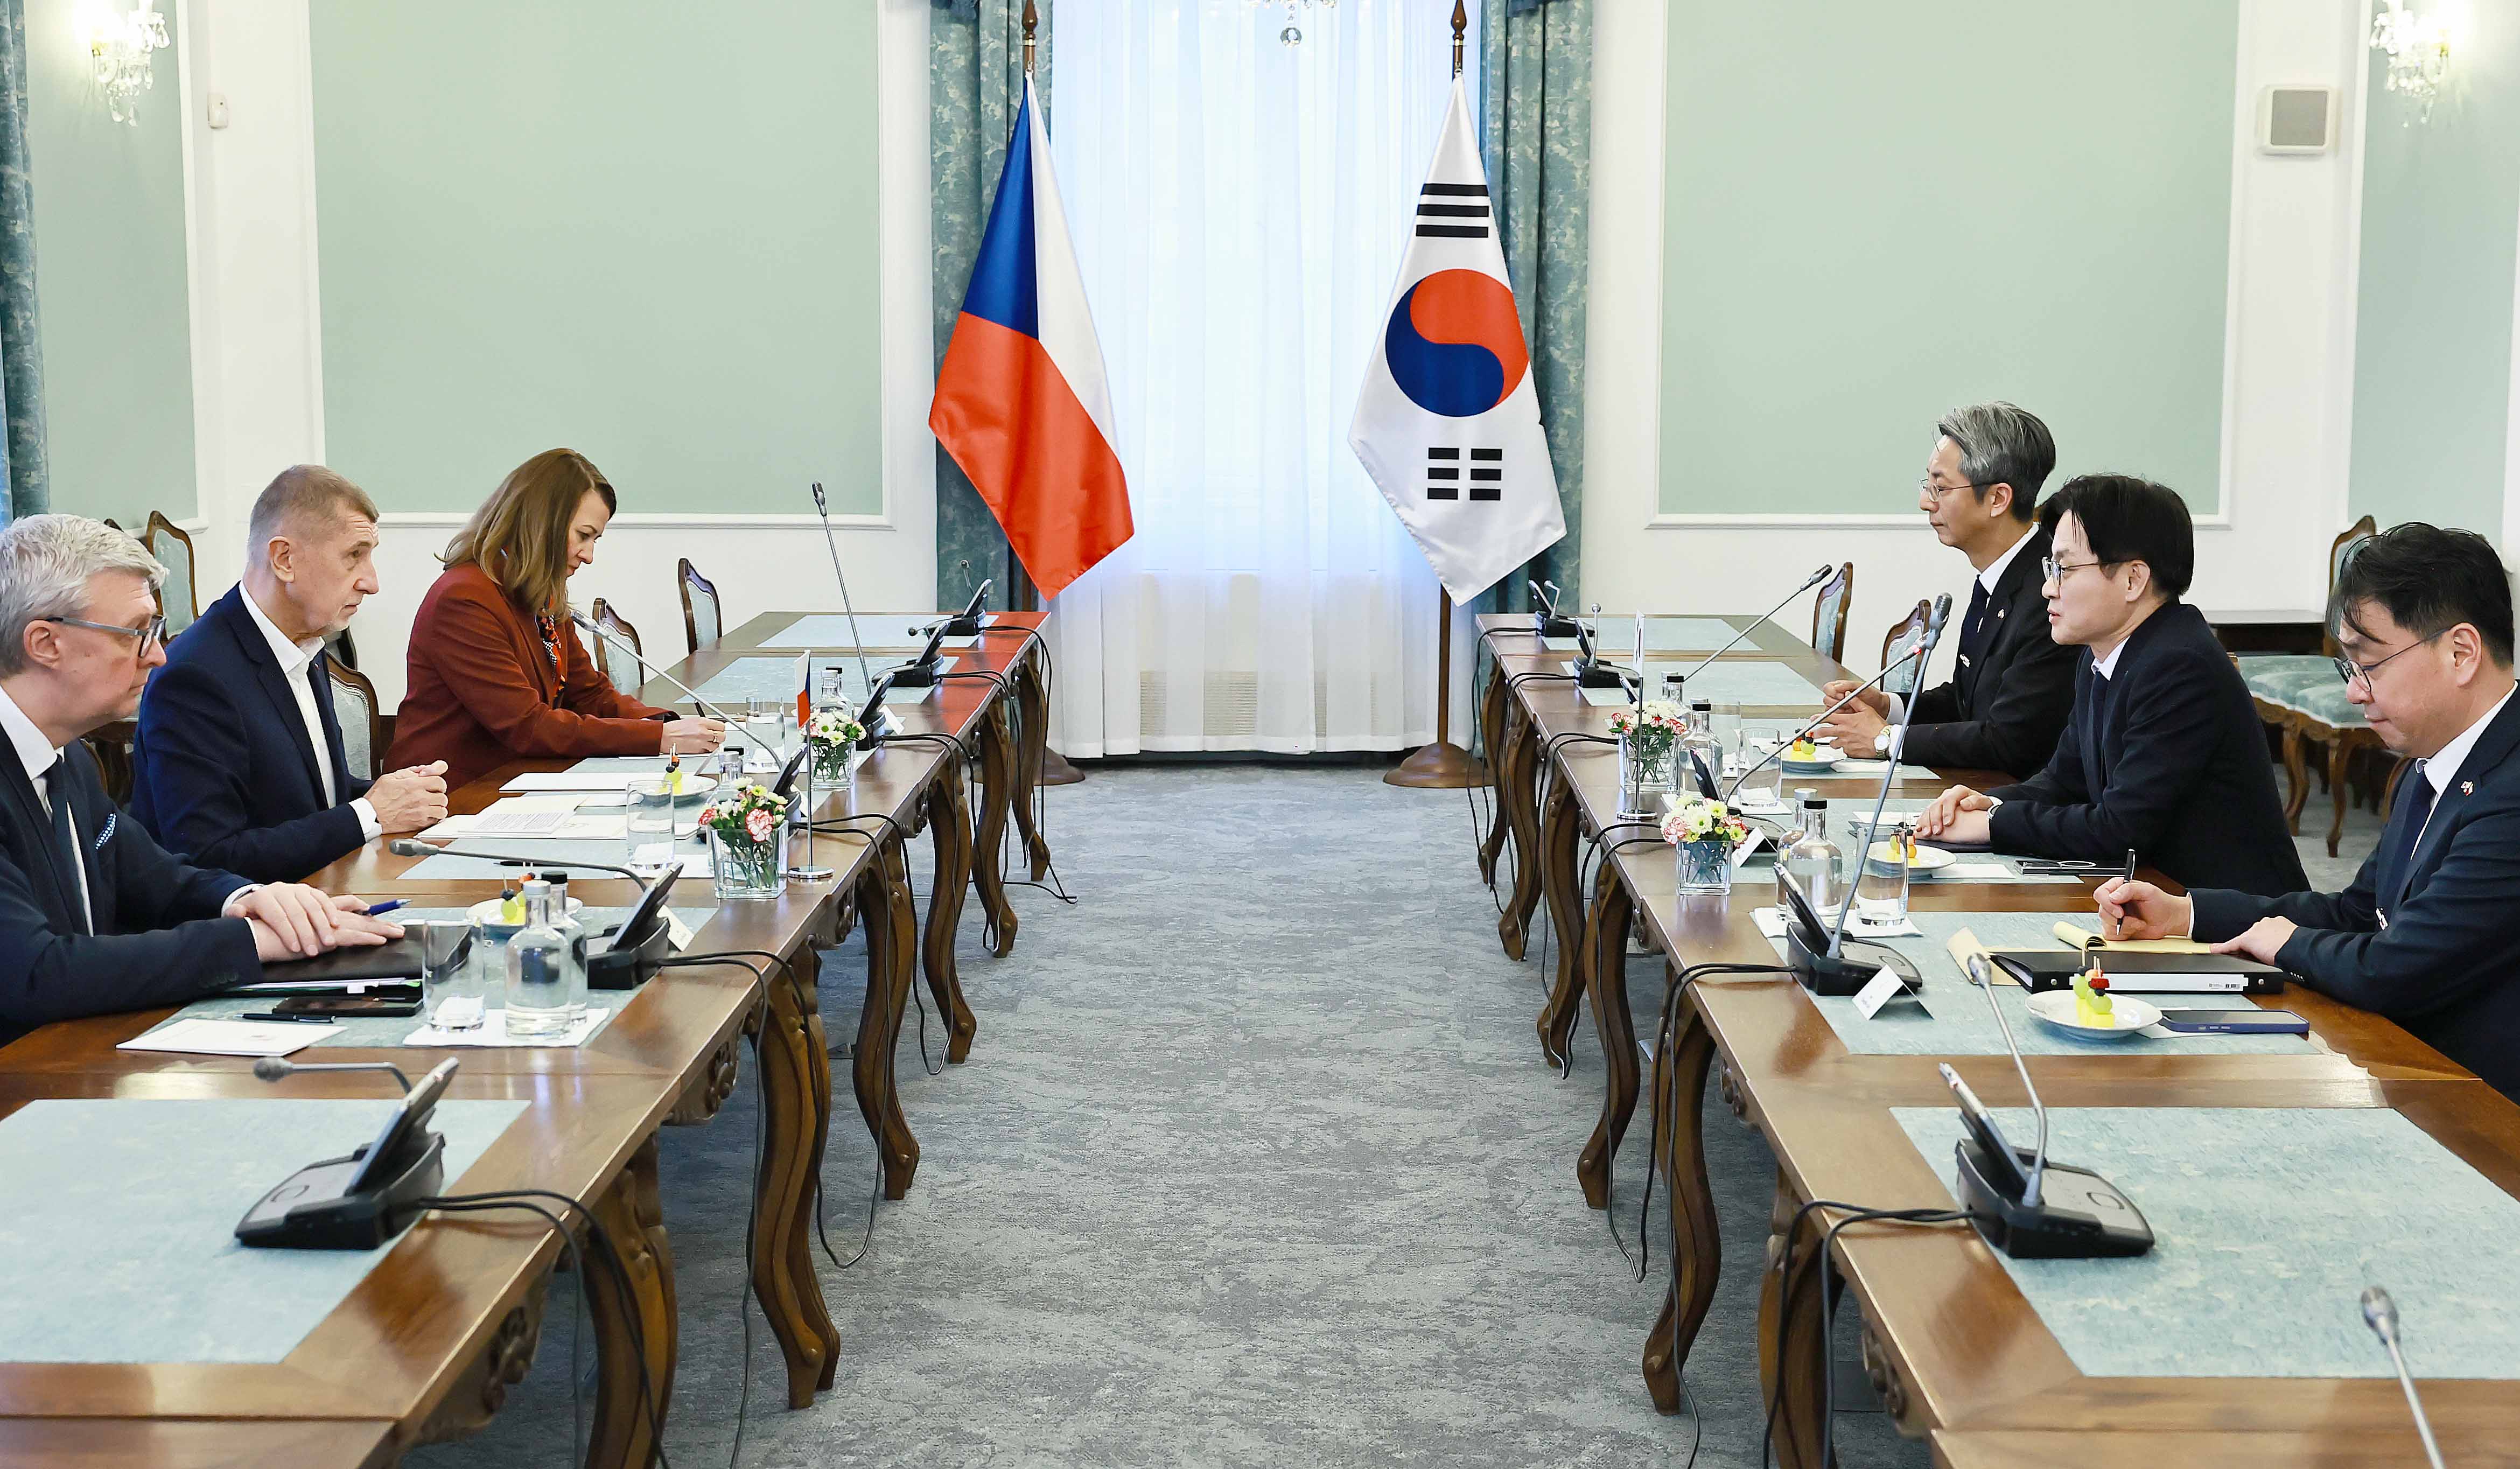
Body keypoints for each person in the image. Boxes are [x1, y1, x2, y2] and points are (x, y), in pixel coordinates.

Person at [2098, 524, 2520, 1097]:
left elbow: (2397, 969)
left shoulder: (2509, 791)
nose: (2354, 692)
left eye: (2369, 665)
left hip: (2482, 1110)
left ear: (2461, 652)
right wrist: (2186, 915)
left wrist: (2289, 944)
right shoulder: (2432, 765)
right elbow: (2358, 913)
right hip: (2413, 1068)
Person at [0, 515, 401, 1045]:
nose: (158, 654)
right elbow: (36, 973)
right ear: (46, 643)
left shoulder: (66, 755)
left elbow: (156, 878)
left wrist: (251, 899)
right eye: (136, 633)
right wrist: (250, 941)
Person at [1914, 474, 2305, 896]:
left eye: (2064, 569)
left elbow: (2121, 830)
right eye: (2050, 568)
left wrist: (1992, 825)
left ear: (2133, 580)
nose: (2047, 588)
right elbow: (2064, 782)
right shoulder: (2101, 656)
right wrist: (1989, 802)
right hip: (2154, 897)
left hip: (2235, 918)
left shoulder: (2180, 666)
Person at [131, 466, 450, 881]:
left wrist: (396, 795)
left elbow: (314, 798)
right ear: (284, 560)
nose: (371, 583)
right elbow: (209, 859)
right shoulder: (194, 676)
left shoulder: (305, 642)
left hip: (319, 896)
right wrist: (369, 813)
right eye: (354, 555)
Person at [385, 448, 724, 789]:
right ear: (541, 523)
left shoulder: (539, 591)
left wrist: (668, 725)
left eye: (595, 539)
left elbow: (590, 694)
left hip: (519, 778)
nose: (589, 556)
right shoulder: (464, 599)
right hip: (449, 795)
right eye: (583, 535)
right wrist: (657, 738)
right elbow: (528, 726)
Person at [1817, 403, 2076, 779]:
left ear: (1998, 499)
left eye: (1940, 488)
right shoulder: (1999, 577)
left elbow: (2011, 740)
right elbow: (1965, 701)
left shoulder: (2049, 595)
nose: (1926, 502)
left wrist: (1888, 740)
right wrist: (1887, 706)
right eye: (1928, 486)